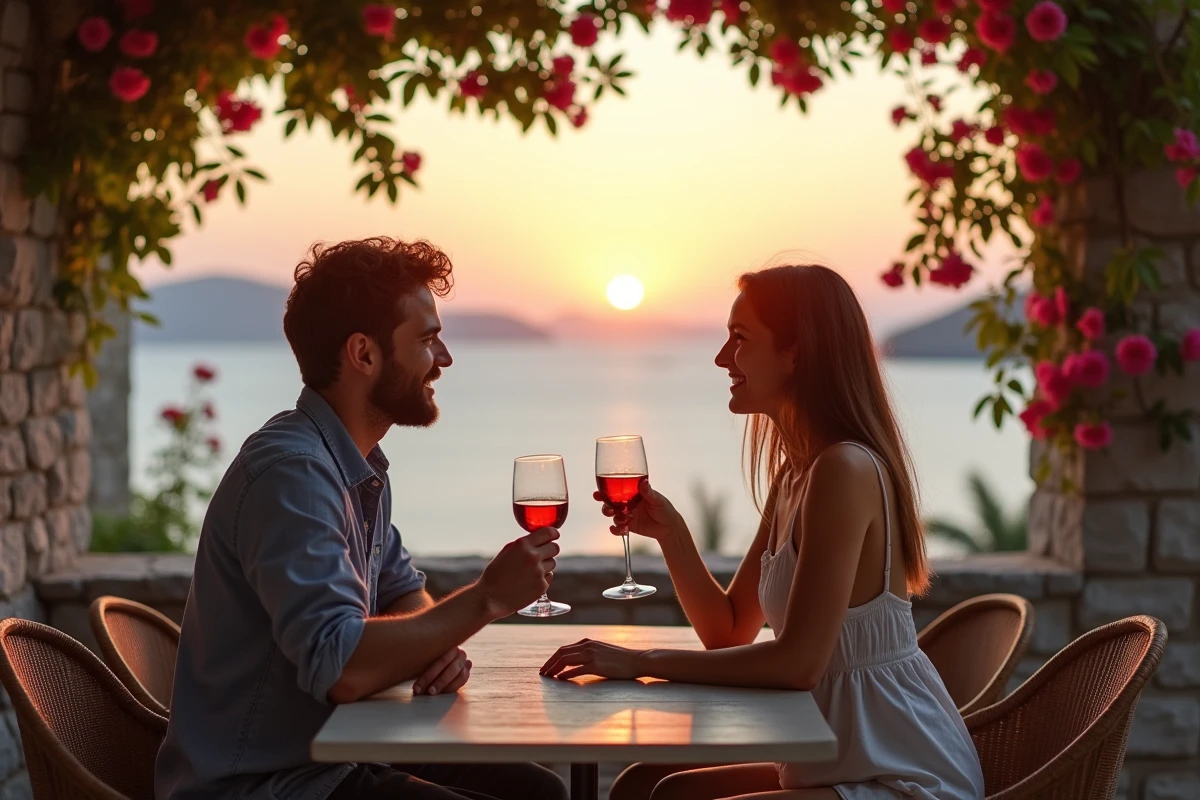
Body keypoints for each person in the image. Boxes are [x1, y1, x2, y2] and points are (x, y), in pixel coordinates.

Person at [540, 264, 985, 800]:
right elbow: (729, 631)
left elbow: (798, 664)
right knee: (647, 789)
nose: (722, 358)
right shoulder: (796, 474)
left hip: (904, 778)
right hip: (837, 764)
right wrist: (674, 536)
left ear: (795, 352)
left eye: (740, 339)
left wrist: (639, 663)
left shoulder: (843, 469)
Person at [156, 237, 568, 800]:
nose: (444, 359)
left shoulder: (354, 465)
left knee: (537, 791)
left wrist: (432, 645)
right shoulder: (293, 476)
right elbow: (341, 670)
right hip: (264, 786)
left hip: (332, 762)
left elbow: (402, 592)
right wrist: (487, 599)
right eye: (427, 340)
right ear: (364, 354)